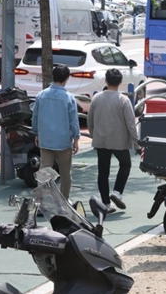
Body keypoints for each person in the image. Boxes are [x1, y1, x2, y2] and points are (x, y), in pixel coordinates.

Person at [87, 68, 140, 213]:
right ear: (121, 82)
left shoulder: (97, 98)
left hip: (101, 140)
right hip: (119, 141)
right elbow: (130, 123)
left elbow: (89, 119)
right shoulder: (123, 100)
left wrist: (94, 134)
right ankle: (117, 192)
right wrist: (136, 143)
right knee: (125, 164)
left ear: (106, 80)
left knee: (103, 171)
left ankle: (106, 203)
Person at [32, 65, 80, 200]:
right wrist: (76, 138)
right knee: (65, 173)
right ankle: (64, 200)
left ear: (53, 77)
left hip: (46, 140)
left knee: (44, 173)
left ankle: (41, 201)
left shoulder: (41, 95)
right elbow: (73, 121)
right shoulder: (69, 97)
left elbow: (35, 117)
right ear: (67, 78)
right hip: (63, 142)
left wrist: (36, 133)